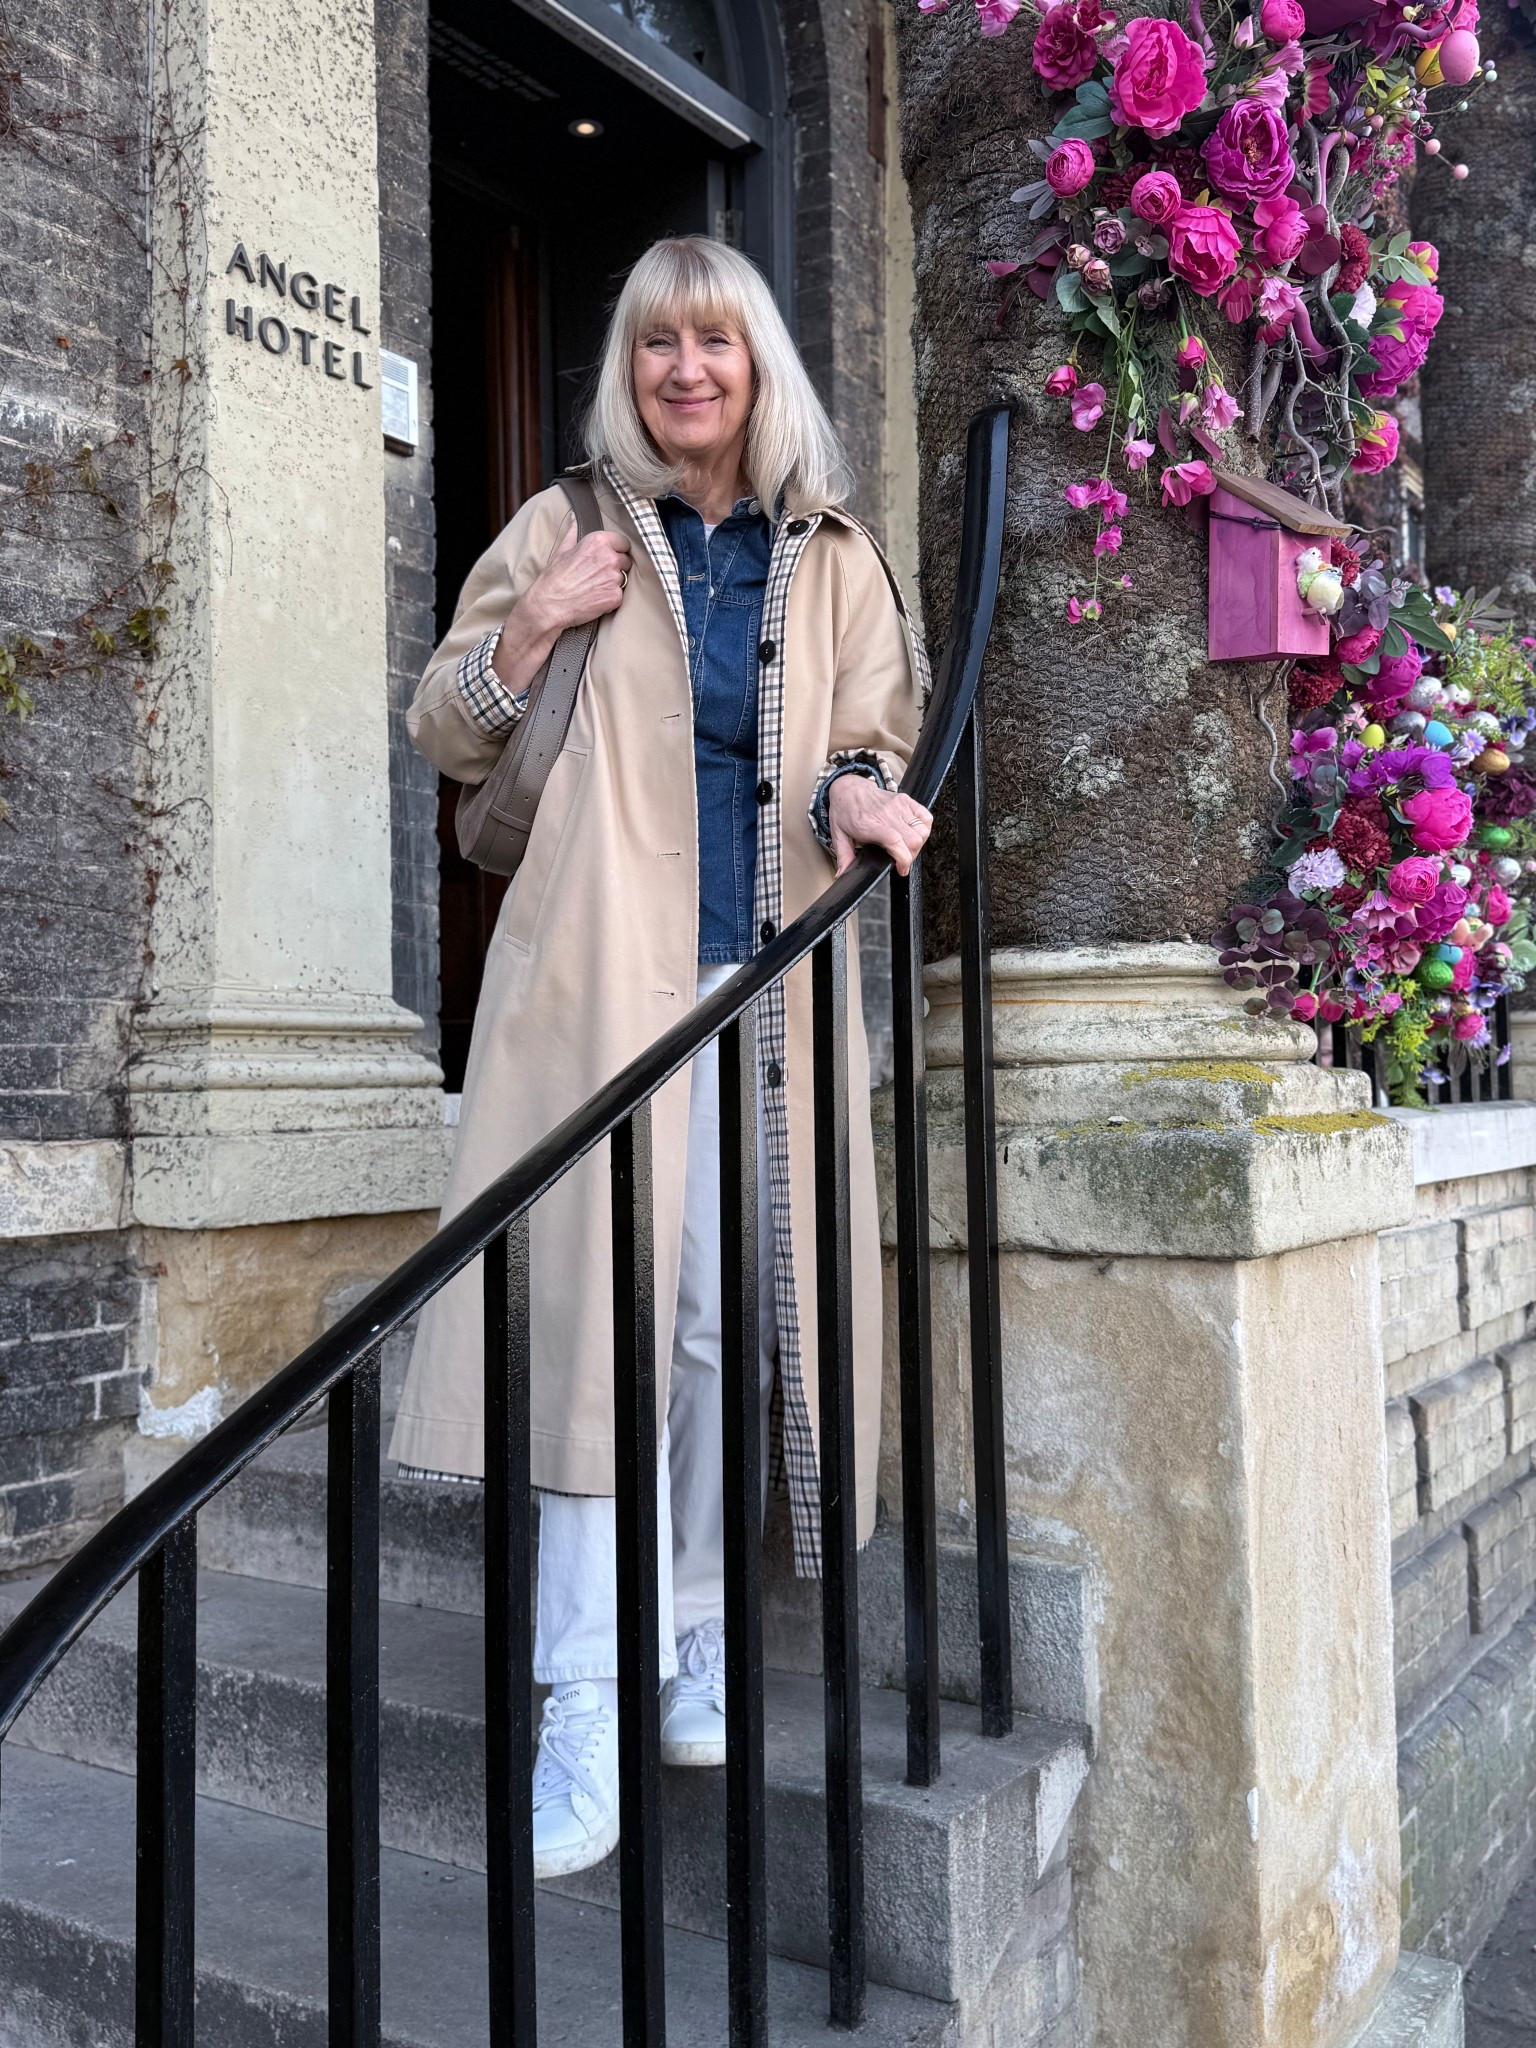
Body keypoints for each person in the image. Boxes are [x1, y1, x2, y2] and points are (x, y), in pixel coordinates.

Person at [388, 235, 932, 1878]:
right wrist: (538, 622)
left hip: (755, 993)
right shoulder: (564, 527)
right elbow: (444, 725)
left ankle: (691, 1625)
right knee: (586, 1340)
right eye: (651, 350)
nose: (684, 372)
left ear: (759, 366)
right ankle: (579, 1700)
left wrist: (850, 785)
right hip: (590, 1000)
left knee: (709, 1324)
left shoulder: (833, 554)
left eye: (714, 345)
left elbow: (877, 728)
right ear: (626, 373)